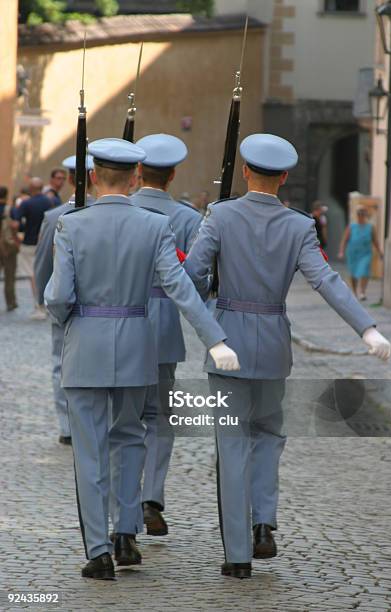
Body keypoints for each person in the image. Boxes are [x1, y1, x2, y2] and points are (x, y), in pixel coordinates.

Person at [184, 133, 391, 579]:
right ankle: (264, 522)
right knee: (268, 438)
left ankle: (238, 556)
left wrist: (207, 302)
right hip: (274, 344)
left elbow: (192, 277)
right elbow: (327, 281)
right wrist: (367, 328)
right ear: (284, 177)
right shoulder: (299, 225)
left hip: (228, 337)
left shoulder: (219, 216)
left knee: (233, 444)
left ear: (244, 172)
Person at [44, 138, 239, 580]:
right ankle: (126, 533)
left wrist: (70, 321)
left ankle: (98, 552)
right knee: (131, 439)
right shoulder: (154, 225)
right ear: (134, 179)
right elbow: (182, 289)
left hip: (86, 346)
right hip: (137, 343)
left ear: (92, 177)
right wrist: (215, 339)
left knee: (90, 453)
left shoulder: (72, 225)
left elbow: (58, 297)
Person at [130, 133, 202, 537]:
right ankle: (151, 497)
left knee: (120, 420)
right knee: (160, 418)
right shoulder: (189, 219)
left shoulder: (120, 211)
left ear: (138, 171)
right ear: (173, 174)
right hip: (165, 329)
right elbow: (195, 280)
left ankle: (123, 505)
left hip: (120, 324)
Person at [34, 155, 95, 445]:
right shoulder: (106, 213)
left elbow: (43, 263)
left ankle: (68, 426)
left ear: (71, 179)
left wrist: (42, 299)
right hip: (101, 305)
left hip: (64, 304)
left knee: (61, 365)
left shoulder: (55, 216)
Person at [15, 177, 53, 319]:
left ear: (31, 188)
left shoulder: (26, 203)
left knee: (33, 275)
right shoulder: (49, 202)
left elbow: (15, 223)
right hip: (45, 241)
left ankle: (39, 306)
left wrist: (15, 238)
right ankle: (46, 304)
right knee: (46, 272)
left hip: (30, 242)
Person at [338, 206, 383, 300]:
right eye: (359, 214)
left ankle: (362, 292)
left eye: (362, 214)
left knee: (364, 271)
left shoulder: (371, 227)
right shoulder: (352, 226)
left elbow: (375, 241)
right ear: (357, 215)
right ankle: (354, 292)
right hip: (352, 253)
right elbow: (344, 240)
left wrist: (380, 251)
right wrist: (341, 251)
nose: (360, 216)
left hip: (365, 253)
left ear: (365, 215)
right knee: (353, 274)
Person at [0, 186, 20, 311]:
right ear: (7, 196)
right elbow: (17, 226)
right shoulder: (10, 210)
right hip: (8, 246)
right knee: (9, 276)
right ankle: (11, 302)